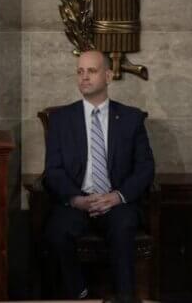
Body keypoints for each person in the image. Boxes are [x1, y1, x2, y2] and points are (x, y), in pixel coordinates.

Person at [43, 49, 155, 300]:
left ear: (108, 76)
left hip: (116, 201)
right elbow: (53, 170)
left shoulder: (130, 118)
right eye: (80, 71)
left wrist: (117, 196)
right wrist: (76, 199)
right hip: (77, 201)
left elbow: (145, 167)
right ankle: (79, 293)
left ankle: (124, 297)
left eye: (91, 71)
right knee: (57, 230)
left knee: (124, 225)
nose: (84, 77)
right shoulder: (61, 119)